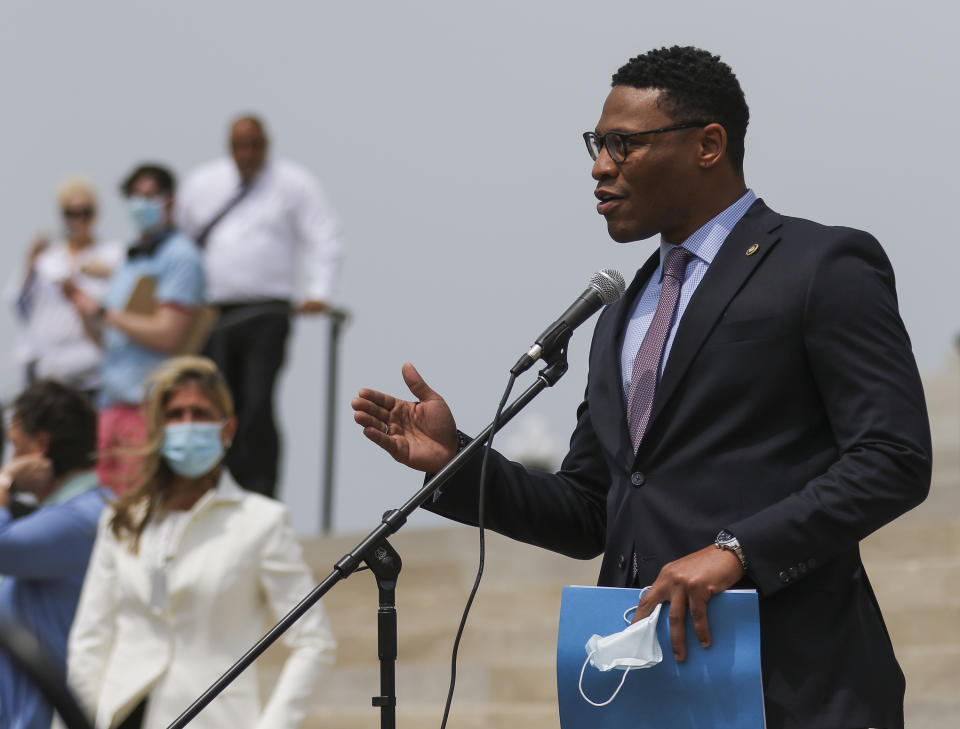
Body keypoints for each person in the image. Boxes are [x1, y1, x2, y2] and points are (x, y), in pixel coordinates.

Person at [351, 46, 932, 729]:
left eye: (623, 145)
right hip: (648, 688)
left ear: (709, 144)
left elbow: (893, 458)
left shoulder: (819, 265)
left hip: (793, 681)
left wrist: (736, 550)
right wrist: (456, 463)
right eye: (597, 145)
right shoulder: (620, 316)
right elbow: (589, 510)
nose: (600, 167)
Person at [65, 355, 335, 729]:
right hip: (120, 715)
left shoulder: (261, 522)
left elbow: (314, 642)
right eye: (175, 415)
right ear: (159, 427)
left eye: (200, 414)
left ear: (227, 429)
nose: (186, 425)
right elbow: (89, 640)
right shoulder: (123, 519)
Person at [176, 115, 345, 498]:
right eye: (240, 145)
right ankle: (217, 488)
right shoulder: (203, 183)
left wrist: (320, 290)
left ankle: (260, 492)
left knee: (256, 402)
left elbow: (325, 238)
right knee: (215, 404)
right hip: (215, 315)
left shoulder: (293, 183)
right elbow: (182, 246)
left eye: (255, 145)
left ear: (267, 144)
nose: (247, 154)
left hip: (268, 313)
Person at [66, 164, 206, 494]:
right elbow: (109, 342)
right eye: (134, 196)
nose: (140, 204)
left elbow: (169, 334)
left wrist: (103, 311)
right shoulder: (131, 257)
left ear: (170, 201)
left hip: (149, 406)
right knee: (108, 512)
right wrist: (84, 310)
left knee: (137, 508)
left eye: (149, 196)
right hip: (111, 402)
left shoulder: (180, 256)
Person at [0, 380, 107, 729]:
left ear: (40, 446)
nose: (11, 457)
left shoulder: (87, 515)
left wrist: (4, 481)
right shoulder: (62, 515)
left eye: (15, 446)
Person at [6, 176, 123, 396]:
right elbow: (18, 303)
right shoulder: (46, 259)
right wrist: (29, 263)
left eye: (84, 212)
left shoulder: (113, 255)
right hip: (48, 372)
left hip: (95, 374)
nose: (77, 220)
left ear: (96, 213)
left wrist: (105, 275)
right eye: (70, 213)